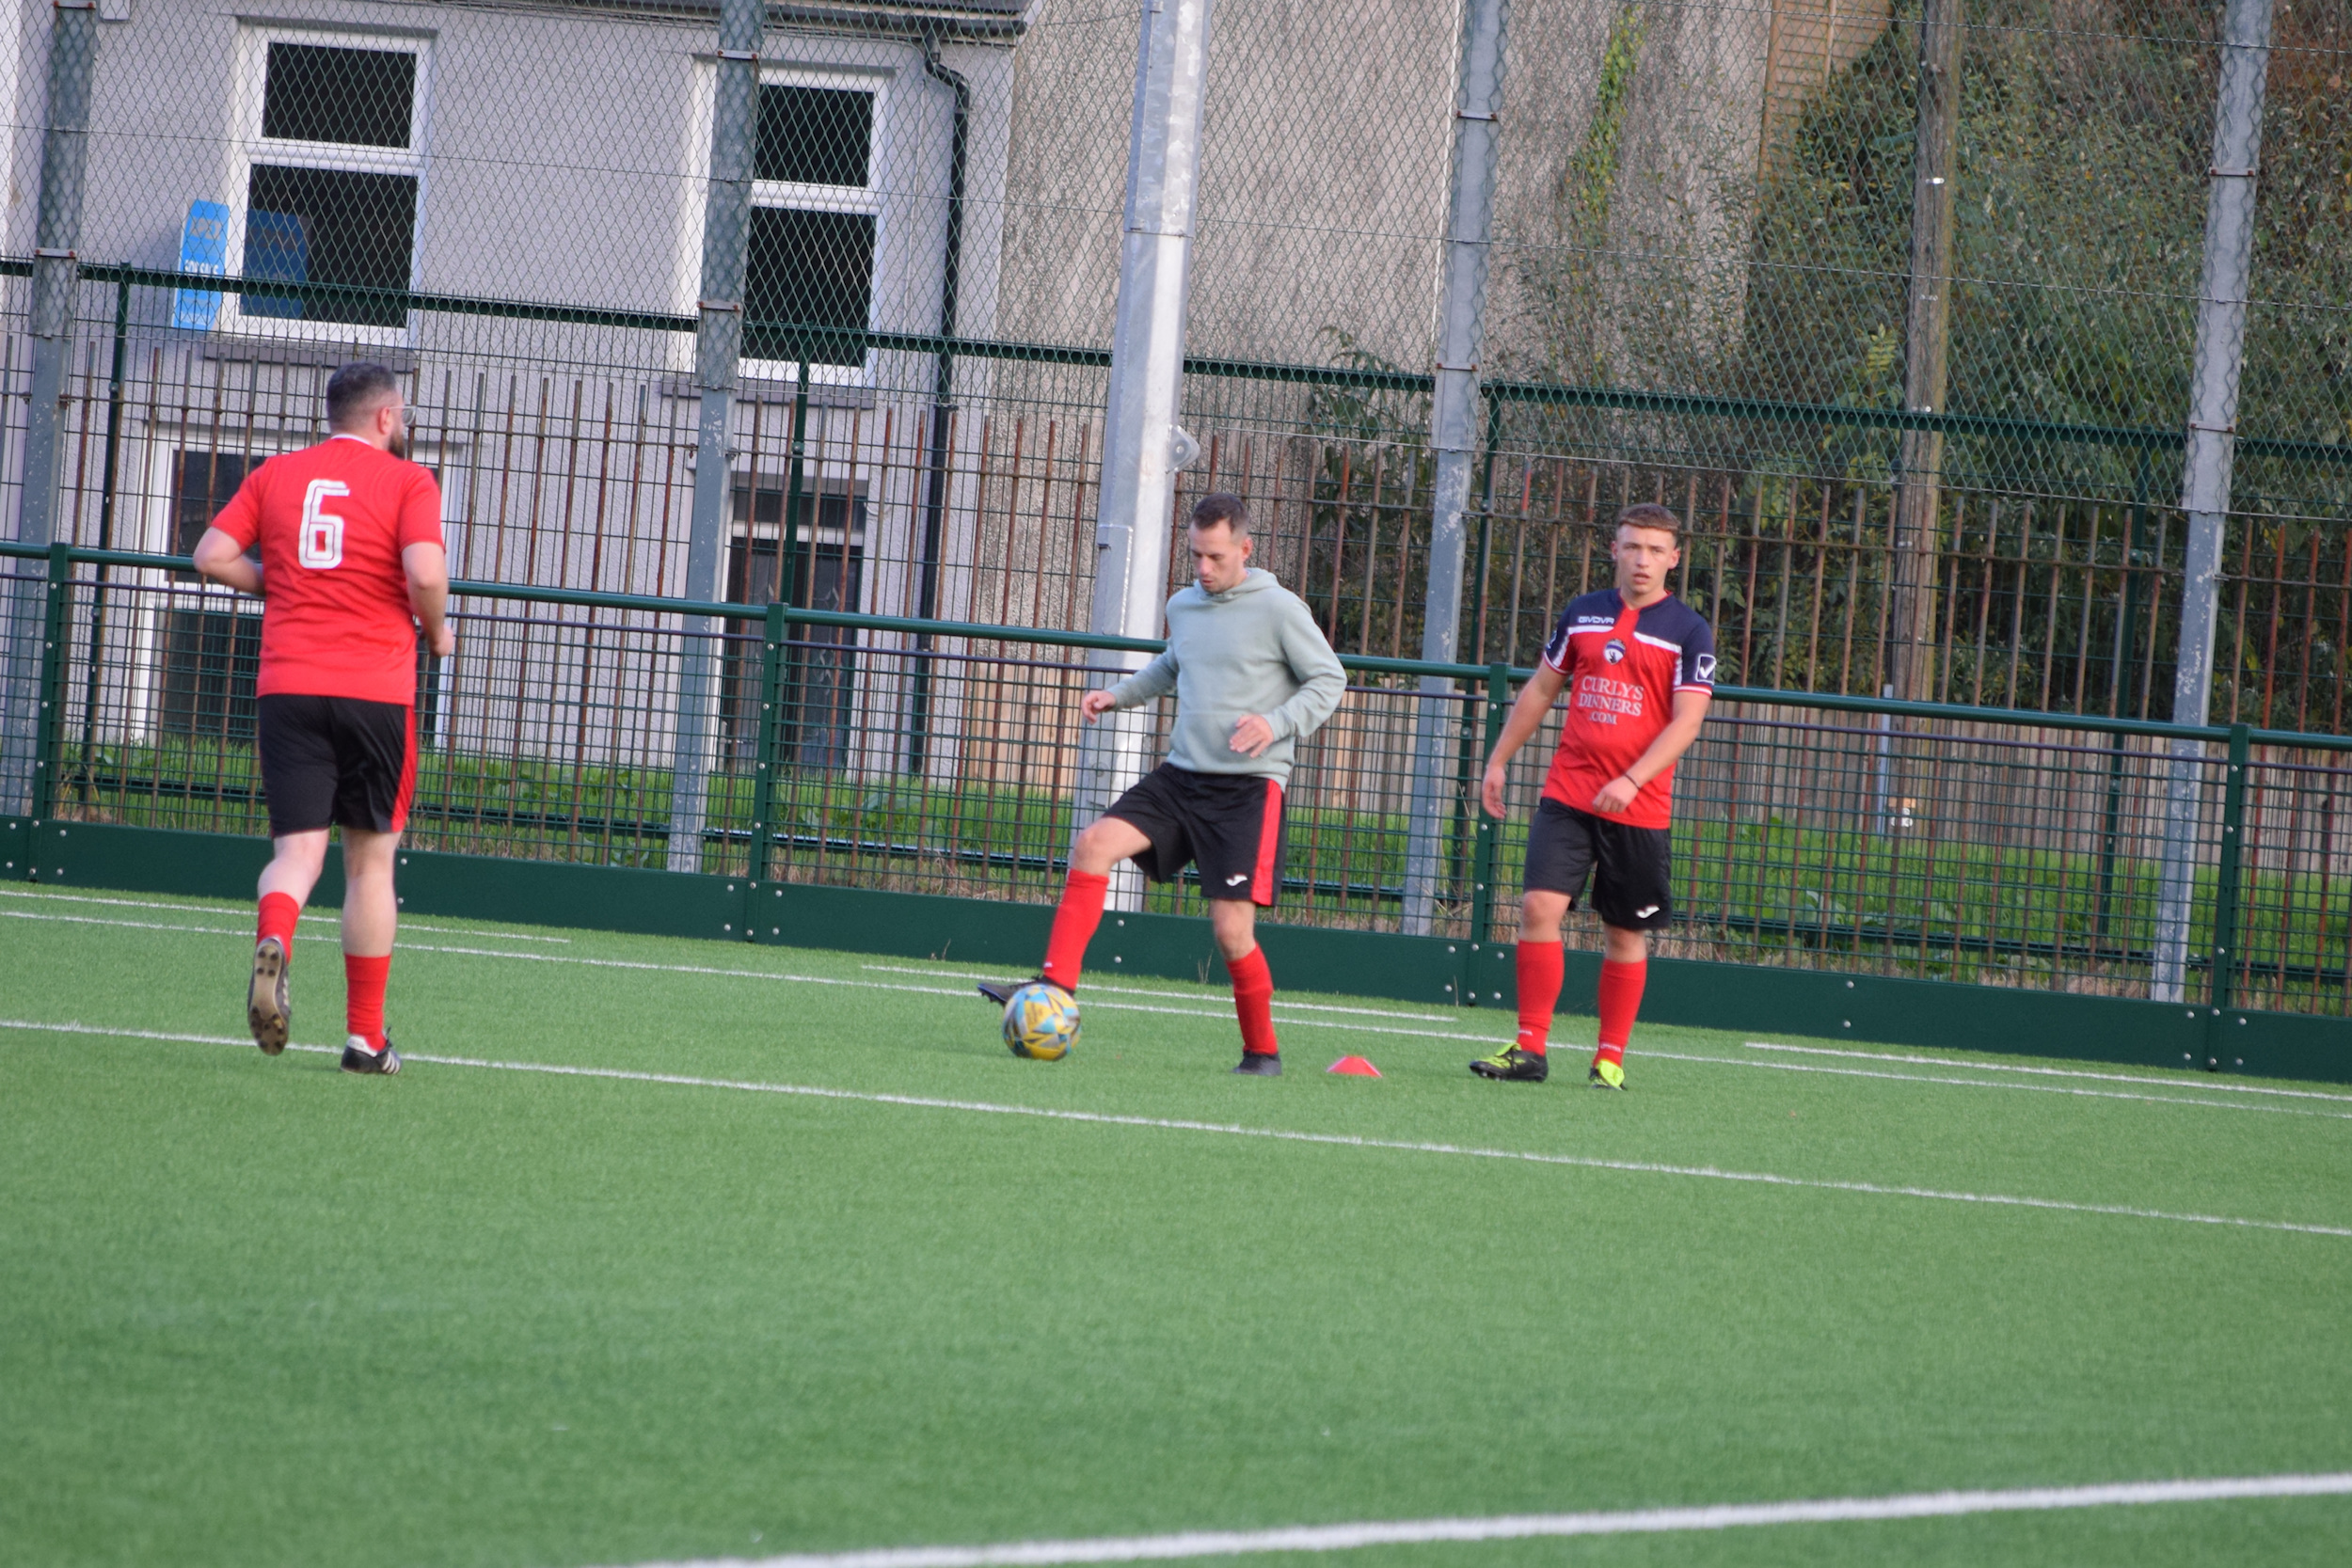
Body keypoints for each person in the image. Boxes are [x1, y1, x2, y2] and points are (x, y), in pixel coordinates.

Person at [980, 493, 1345, 1074]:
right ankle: (1055, 988)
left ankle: (1262, 1052)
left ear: (1245, 550)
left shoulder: (1280, 609)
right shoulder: (1186, 605)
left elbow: (1329, 679)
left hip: (1248, 789)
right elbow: (1172, 665)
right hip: (1181, 778)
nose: (1203, 569)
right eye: (1196, 556)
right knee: (1094, 845)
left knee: (1231, 932)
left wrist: (1275, 723)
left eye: (1216, 558)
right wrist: (1117, 695)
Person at [192, 361, 454, 1076]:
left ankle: (275, 936)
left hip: (290, 686)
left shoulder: (276, 474)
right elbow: (426, 574)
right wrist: (436, 632)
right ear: (385, 417)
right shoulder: (410, 482)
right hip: (375, 690)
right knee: (369, 862)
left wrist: (277, 583)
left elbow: (210, 556)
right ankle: (366, 1041)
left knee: (297, 854)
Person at [1470, 501, 1715, 1088]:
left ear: (1674, 560)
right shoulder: (1582, 615)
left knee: (1623, 931)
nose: (1643, 559)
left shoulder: (1689, 630)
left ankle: (1609, 1057)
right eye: (1633, 546)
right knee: (1537, 908)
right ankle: (1529, 1049)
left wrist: (1632, 778)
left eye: (1656, 550)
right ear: (1614, 549)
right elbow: (1541, 689)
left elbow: (1687, 722)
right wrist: (1498, 760)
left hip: (1640, 806)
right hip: (1569, 792)